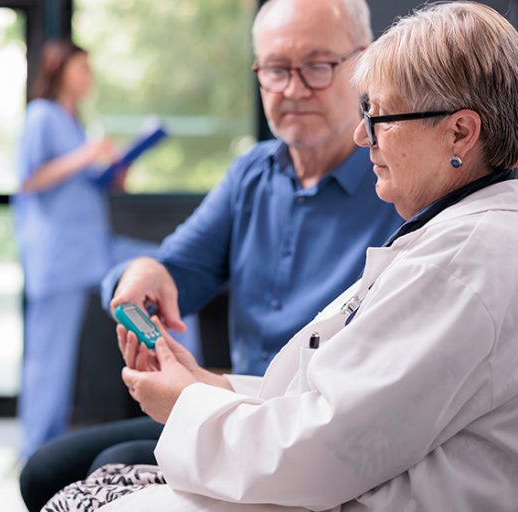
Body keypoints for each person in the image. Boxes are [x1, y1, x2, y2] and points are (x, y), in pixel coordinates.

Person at [43, 2, 518, 510]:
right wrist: (150, 284)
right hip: (265, 420)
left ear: (460, 132)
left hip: (284, 447)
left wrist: (190, 399)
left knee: (93, 479)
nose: (293, 89)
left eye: (316, 66)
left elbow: (327, 445)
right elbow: (176, 271)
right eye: (275, 69)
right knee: (61, 469)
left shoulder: (444, 242)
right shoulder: (257, 174)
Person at [14, 40, 170, 459]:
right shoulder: (42, 116)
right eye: (81, 68)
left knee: (162, 267)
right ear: (59, 70)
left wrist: (114, 170)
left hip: (93, 246)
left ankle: (178, 400)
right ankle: (35, 450)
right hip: (58, 253)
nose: (89, 77)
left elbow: (84, 183)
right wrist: (86, 155)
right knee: (50, 357)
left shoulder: (74, 123)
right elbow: (29, 180)